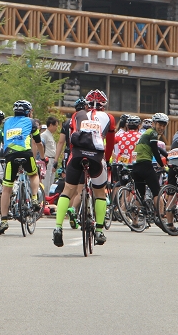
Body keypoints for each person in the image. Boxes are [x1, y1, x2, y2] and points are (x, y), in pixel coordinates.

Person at [53, 89, 115, 247]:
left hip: (77, 154)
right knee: (100, 192)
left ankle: (58, 227)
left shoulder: (76, 115)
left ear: (86, 104)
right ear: (104, 105)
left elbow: (71, 140)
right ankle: (99, 230)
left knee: (67, 190)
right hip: (96, 157)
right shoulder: (110, 118)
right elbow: (110, 144)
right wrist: (106, 161)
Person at [0, 100, 44, 235]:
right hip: (26, 153)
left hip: (10, 155)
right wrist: (43, 156)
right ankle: (34, 198)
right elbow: (38, 142)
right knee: (33, 175)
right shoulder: (31, 122)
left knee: (7, 188)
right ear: (28, 112)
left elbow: (2, 140)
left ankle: (4, 220)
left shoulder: (6, 123)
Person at [131, 112, 169, 219]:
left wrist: (167, 155)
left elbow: (156, 148)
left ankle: (134, 222)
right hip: (145, 165)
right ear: (154, 123)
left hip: (136, 166)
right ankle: (160, 217)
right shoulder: (153, 133)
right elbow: (155, 151)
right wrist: (162, 165)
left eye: (163, 125)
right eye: (159, 124)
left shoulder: (146, 133)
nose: (161, 127)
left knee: (140, 195)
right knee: (157, 192)